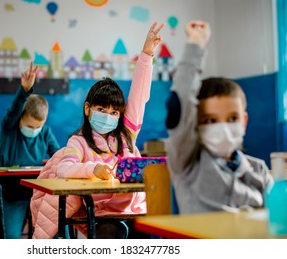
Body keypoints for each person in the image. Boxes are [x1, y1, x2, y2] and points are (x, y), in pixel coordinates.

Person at [30, 21, 165, 239]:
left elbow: (140, 96)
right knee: (113, 232)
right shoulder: (79, 142)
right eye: (101, 109)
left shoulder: (126, 135)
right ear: (88, 108)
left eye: (114, 112)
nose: (108, 116)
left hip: (136, 210)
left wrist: (147, 54)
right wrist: (93, 170)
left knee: (153, 234)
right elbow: (65, 169)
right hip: (105, 215)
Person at [165, 20, 273, 214]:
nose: (223, 127)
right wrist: (195, 45)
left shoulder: (259, 171)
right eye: (210, 120)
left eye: (232, 118)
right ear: (194, 124)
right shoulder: (188, 163)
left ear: (244, 122)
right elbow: (181, 103)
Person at [0, 62, 61, 239]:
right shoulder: (9, 128)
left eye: (38, 126)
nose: (34, 130)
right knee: (11, 238)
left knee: (48, 235)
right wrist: (25, 90)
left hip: (38, 192)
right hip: (12, 194)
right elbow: (13, 110)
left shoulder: (46, 132)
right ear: (20, 119)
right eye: (29, 125)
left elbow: (57, 155)